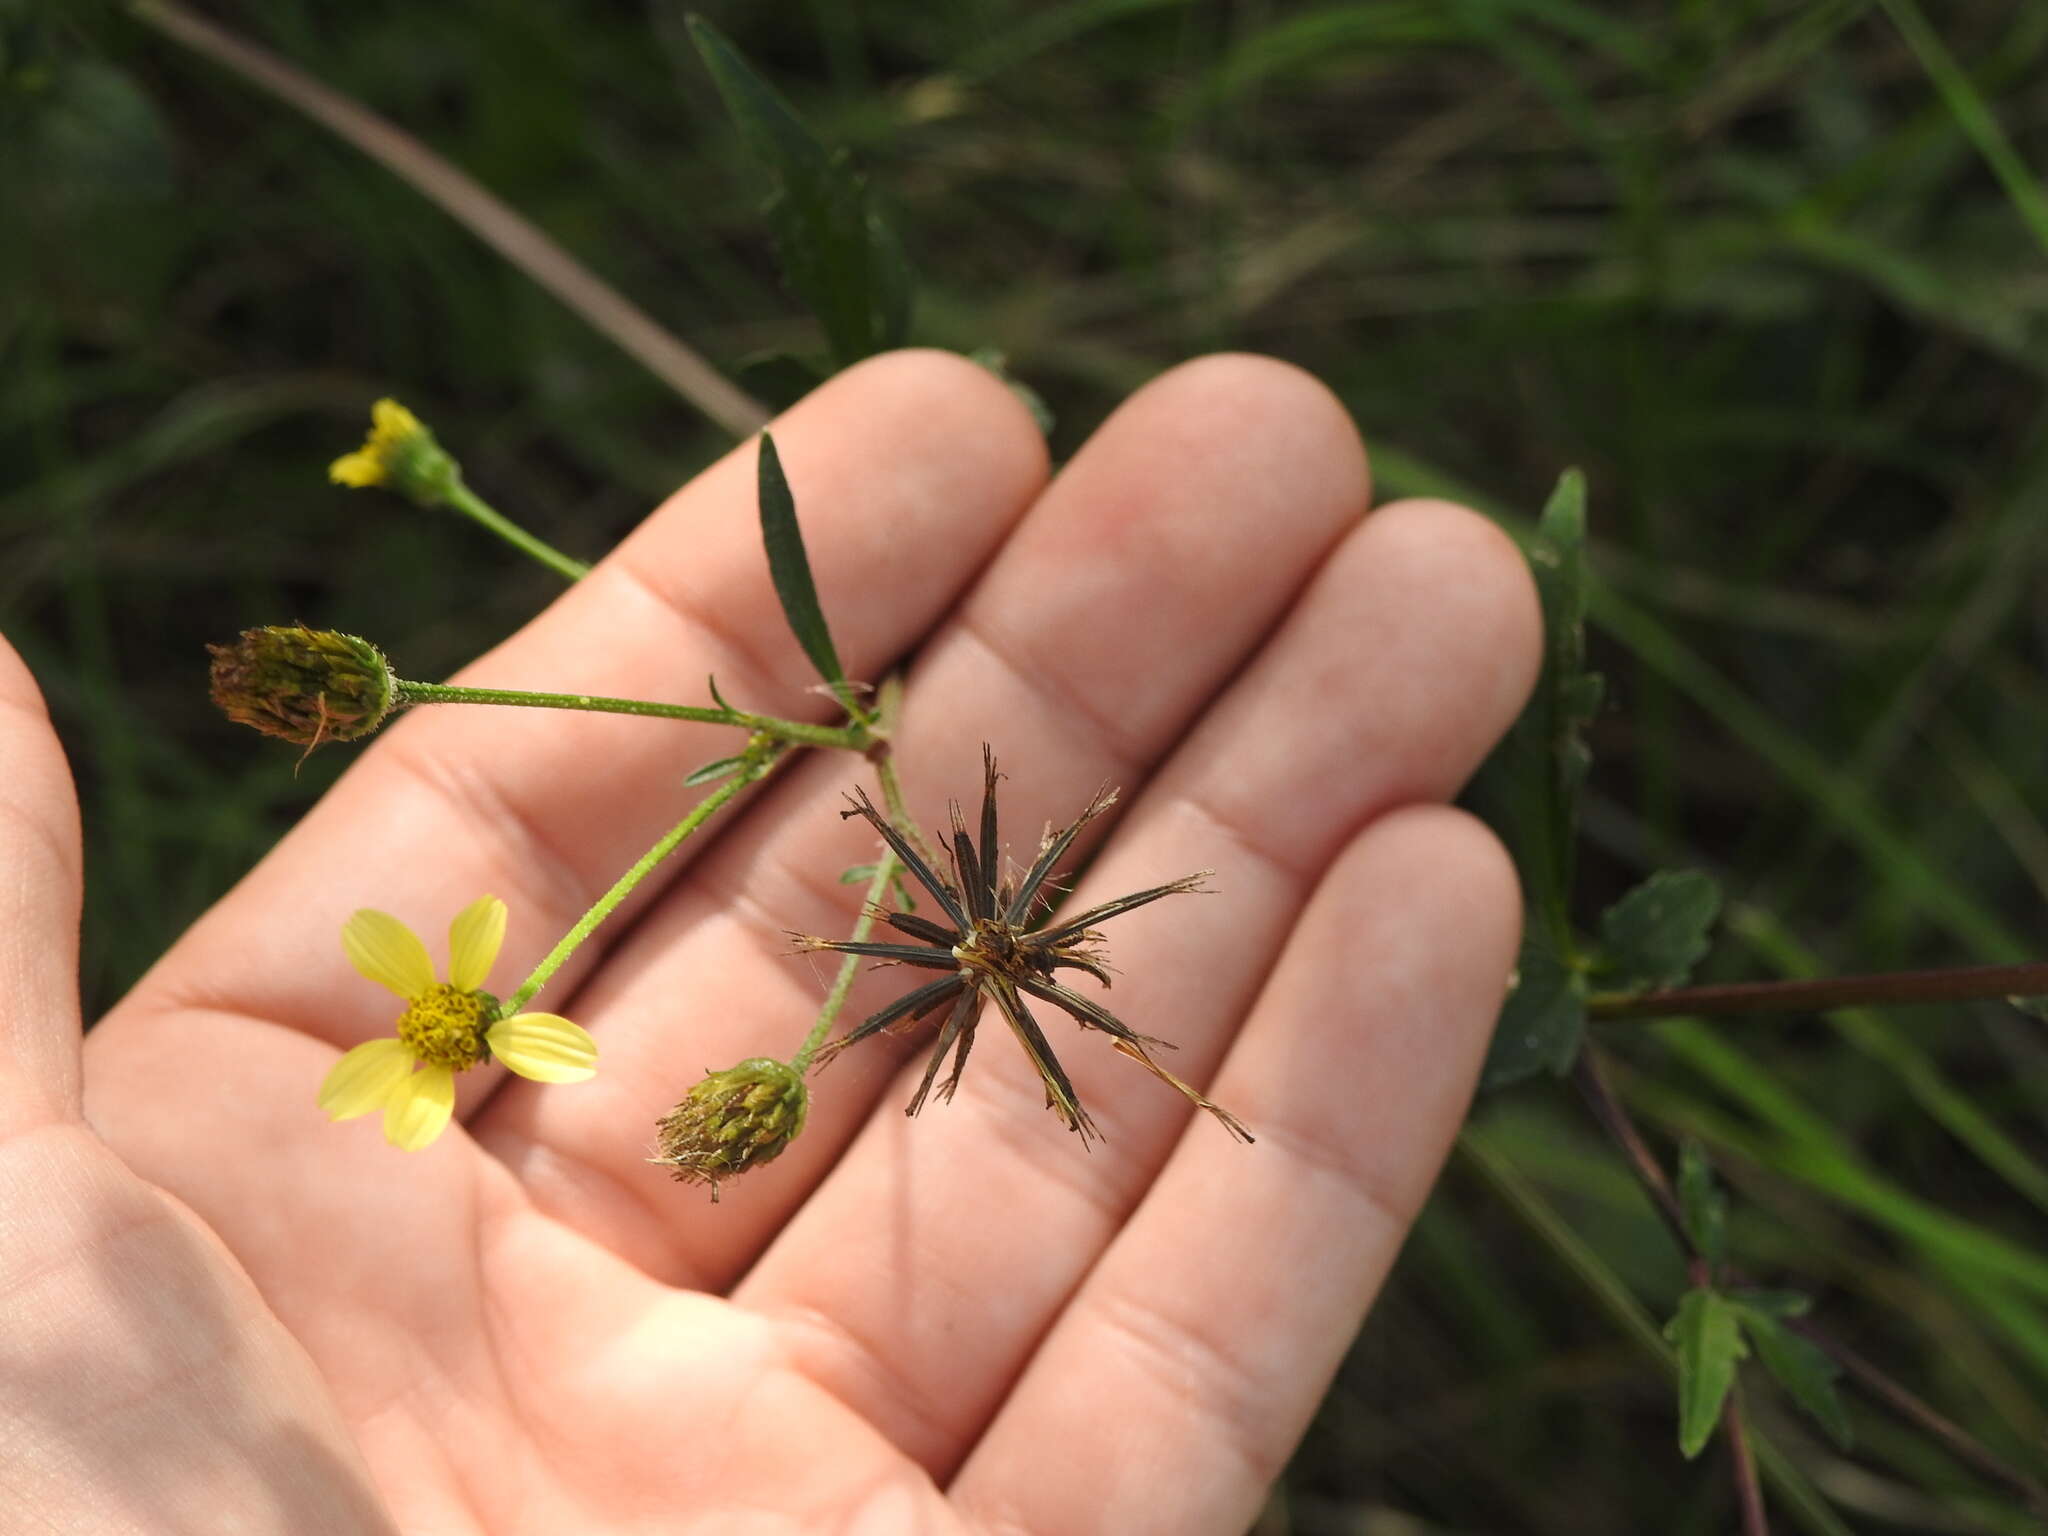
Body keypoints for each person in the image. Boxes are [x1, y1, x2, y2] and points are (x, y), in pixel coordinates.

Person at [0, 351, 1539, 1533]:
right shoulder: (445, 1023)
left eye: (446, 1026)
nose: (440, 1037)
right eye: (441, 1031)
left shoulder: (463, 1008)